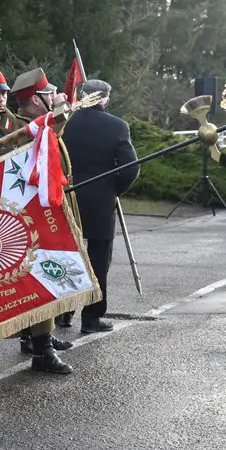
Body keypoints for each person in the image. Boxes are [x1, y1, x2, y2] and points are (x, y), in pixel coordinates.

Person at [0, 66, 73, 376]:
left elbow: (49, 143)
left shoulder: (23, 126)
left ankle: (42, 347)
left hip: (25, 217)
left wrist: (61, 111)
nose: (0, 98)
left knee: (36, 275)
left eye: (4, 93)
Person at [61, 79, 139, 334]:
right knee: (98, 260)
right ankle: (91, 317)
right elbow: (131, 168)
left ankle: (62, 312)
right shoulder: (116, 125)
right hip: (100, 200)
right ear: (105, 99)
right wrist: (113, 189)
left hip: (65, 197)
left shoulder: (64, 123)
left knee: (65, 256)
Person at [10, 68, 83, 334]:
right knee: (39, 271)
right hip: (37, 210)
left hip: (56, 199)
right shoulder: (25, 127)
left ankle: (44, 335)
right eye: (48, 94)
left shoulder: (41, 122)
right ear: (36, 99)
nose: (53, 97)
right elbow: (50, 133)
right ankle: (36, 337)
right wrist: (62, 108)